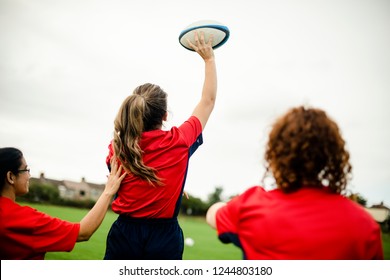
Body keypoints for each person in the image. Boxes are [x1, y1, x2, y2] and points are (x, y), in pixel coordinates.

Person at [206, 106, 384, 260]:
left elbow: (212, 215)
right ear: (331, 157)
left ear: (277, 153)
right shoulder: (366, 227)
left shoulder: (251, 205)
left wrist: (225, 206)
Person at [103, 31, 217, 260]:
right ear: (165, 116)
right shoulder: (179, 141)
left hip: (124, 235)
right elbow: (208, 101)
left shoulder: (117, 148)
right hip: (163, 239)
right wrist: (209, 60)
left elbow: (125, 181)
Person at [0, 147, 126, 260]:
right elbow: (83, 232)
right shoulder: (22, 219)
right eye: (26, 169)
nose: (29, 175)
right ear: (11, 177)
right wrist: (108, 191)